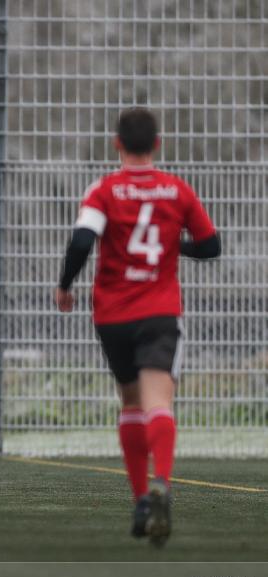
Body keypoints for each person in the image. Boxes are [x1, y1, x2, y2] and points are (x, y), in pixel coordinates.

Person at [55, 107, 220, 547]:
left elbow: (82, 241)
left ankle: (141, 499)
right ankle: (162, 481)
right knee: (159, 402)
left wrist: (65, 285)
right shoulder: (176, 189)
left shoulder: (104, 190)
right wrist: (173, 245)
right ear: (158, 144)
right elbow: (211, 245)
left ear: (117, 144)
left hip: (113, 315)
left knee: (129, 402)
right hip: (161, 311)